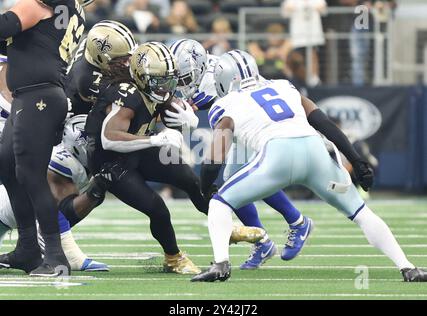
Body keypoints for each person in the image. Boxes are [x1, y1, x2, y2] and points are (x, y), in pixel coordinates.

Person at [191, 49, 427, 283]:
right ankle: (408, 267)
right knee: (361, 213)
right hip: (314, 153)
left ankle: (221, 265)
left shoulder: (226, 104)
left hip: (277, 158)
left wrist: (205, 187)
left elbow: (214, 159)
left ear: (221, 79)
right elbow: (323, 122)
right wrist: (356, 160)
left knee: (220, 203)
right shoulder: (284, 86)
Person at [168, 39, 312, 269]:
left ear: (198, 67)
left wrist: (192, 119)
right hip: (240, 121)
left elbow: (223, 117)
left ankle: (294, 224)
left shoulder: (218, 77)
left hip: (256, 120)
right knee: (238, 181)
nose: (182, 82)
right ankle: (270, 237)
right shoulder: (199, 73)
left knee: (239, 181)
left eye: (185, 76)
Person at [85, 42, 203, 274]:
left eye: (170, 80)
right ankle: (173, 258)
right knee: (157, 208)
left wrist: (187, 118)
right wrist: (155, 140)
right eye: (160, 81)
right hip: (111, 161)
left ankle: (225, 227)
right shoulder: (128, 96)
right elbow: (109, 138)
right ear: (141, 77)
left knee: (190, 179)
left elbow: (168, 107)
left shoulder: (151, 87)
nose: (166, 87)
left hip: (137, 147)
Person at [0, 0, 86, 277]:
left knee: (31, 175)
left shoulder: (45, 3)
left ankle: (55, 256)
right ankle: (27, 249)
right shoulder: (71, 10)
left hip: (39, 96)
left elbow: (6, 26)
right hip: (32, 95)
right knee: (8, 167)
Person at [0, 115, 109, 272]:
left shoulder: (74, 163)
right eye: (95, 142)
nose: (100, 148)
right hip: (5, 211)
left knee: (93, 196)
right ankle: (69, 253)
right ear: (80, 141)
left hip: (8, 217)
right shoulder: (64, 161)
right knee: (51, 202)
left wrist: (96, 192)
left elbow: (68, 211)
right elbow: (55, 204)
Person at [66, 20, 138, 116]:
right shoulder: (88, 80)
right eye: (123, 59)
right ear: (103, 58)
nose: (128, 62)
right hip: (77, 113)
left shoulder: (94, 44)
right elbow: (122, 109)